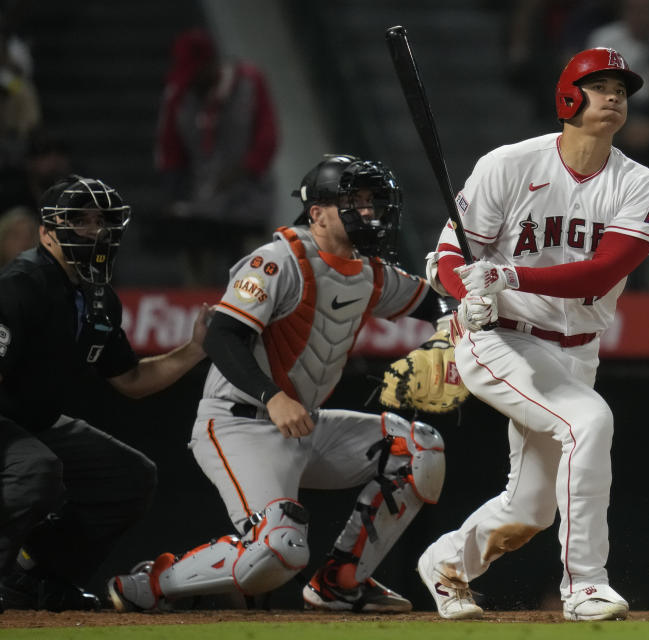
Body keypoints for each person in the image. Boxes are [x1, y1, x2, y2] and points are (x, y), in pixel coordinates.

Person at [107, 155, 454, 614]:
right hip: (239, 422)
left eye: (373, 202)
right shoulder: (277, 260)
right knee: (280, 549)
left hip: (302, 424)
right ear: (317, 212)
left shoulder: (369, 272)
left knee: (419, 449)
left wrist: (458, 320)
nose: (369, 212)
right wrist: (272, 398)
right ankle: (154, 584)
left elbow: (433, 302)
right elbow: (221, 335)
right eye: (355, 201)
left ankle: (342, 582)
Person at [416, 47, 649, 621]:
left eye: (621, 91)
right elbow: (452, 254)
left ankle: (448, 561)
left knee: (530, 509)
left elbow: (605, 269)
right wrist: (467, 291)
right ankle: (584, 585)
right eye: (600, 86)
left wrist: (504, 273)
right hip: (502, 337)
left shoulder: (641, 184)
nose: (613, 98)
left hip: (577, 349)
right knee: (591, 420)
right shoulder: (508, 163)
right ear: (568, 97)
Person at [0, 175, 210, 611]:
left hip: (34, 422)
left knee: (129, 476)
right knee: (36, 469)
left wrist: (195, 350)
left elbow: (130, 379)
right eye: (79, 220)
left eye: (103, 220)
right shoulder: (19, 286)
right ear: (46, 232)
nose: (94, 231)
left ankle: (38, 577)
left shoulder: (98, 298)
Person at [155, 28, 278, 287]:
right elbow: (170, 151)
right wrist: (174, 196)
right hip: (201, 206)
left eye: (196, 73)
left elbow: (268, 139)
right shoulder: (179, 93)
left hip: (249, 204)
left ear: (211, 64)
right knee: (200, 282)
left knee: (255, 280)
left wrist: (244, 171)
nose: (191, 81)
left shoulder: (249, 82)